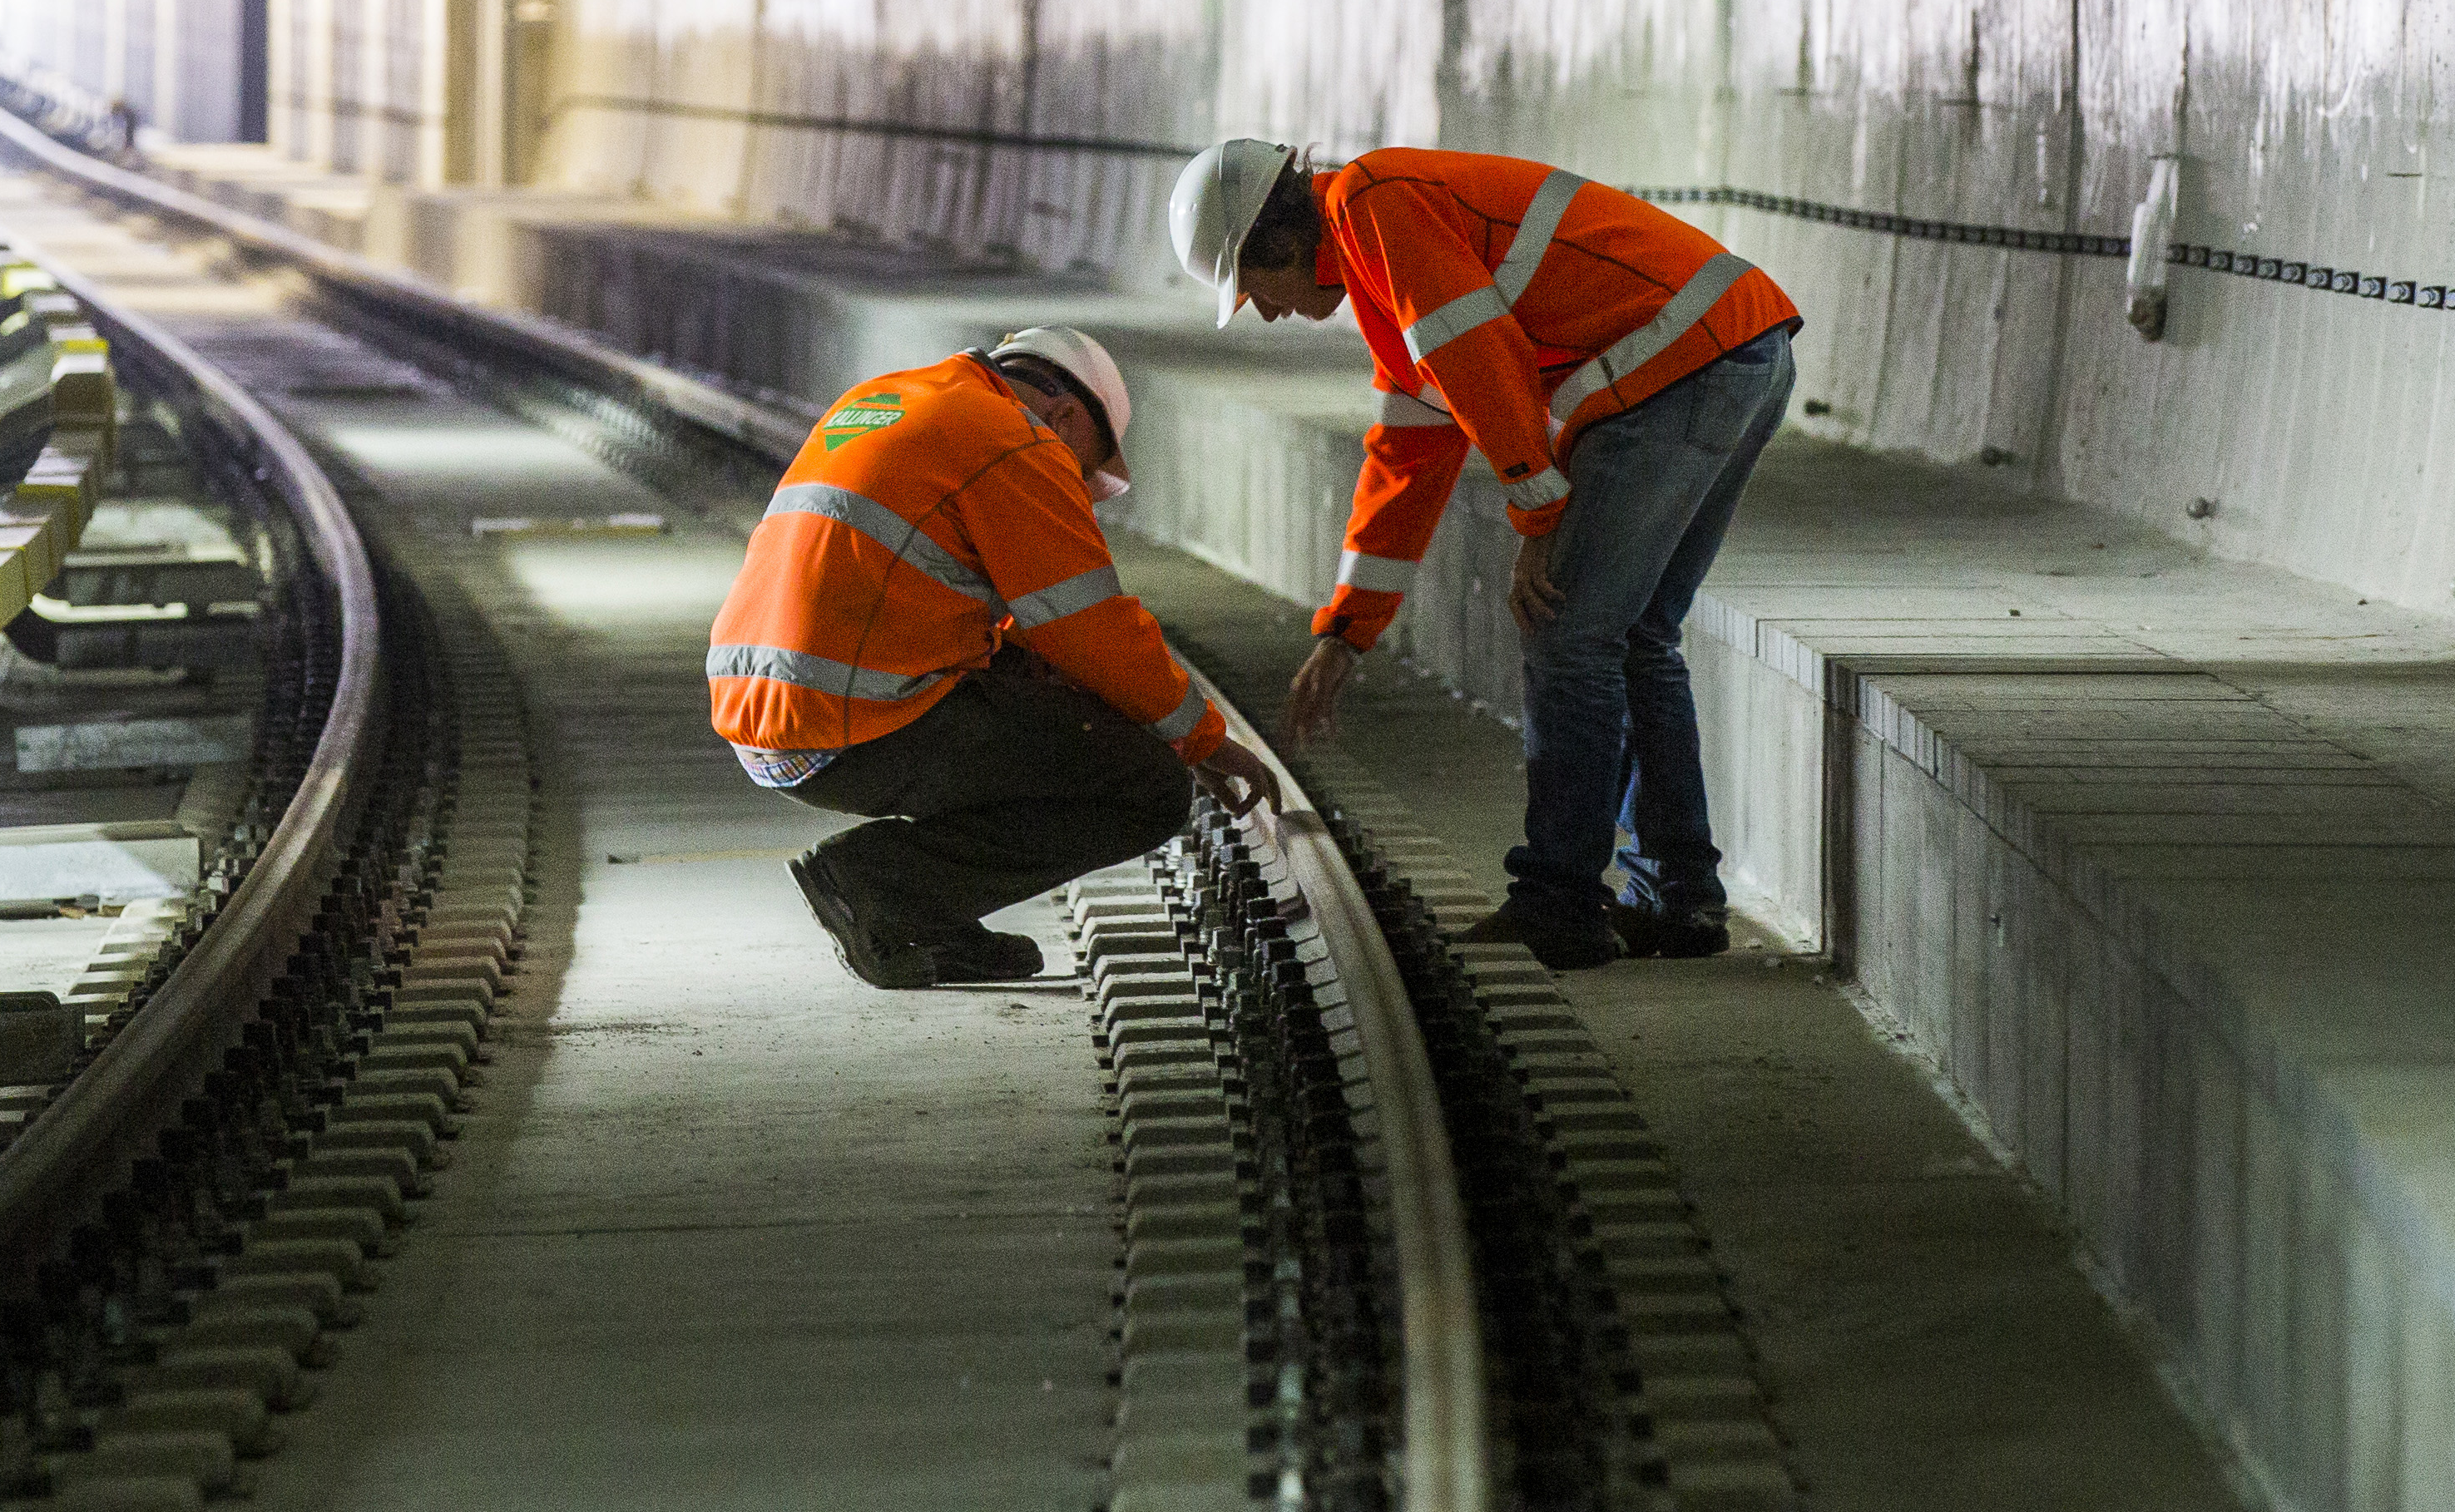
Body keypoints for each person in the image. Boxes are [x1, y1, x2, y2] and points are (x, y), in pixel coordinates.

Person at [1167, 141, 1800, 971]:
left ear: (1279, 243)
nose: (1264, 308)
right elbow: (1409, 452)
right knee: (1633, 633)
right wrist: (1348, 629)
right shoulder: (1380, 265)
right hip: (1729, 346)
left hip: (1681, 363)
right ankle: (1676, 898)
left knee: (1571, 636)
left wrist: (1536, 513)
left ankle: (1560, 903)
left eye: (1255, 287)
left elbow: (1476, 351)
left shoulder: (1376, 203)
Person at [709, 324, 1271, 987]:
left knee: (1056, 699)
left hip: (765, 709)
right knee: (1143, 785)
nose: (1080, 488)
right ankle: (880, 884)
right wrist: (1199, 738)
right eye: (1084, 469)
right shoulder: (1016, 440)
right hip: (849, 716)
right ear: (1062, 415)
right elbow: (1089, 627)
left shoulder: (891, 400)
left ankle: (919, 915)